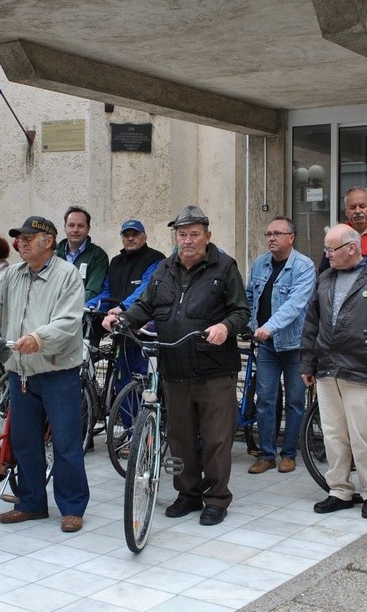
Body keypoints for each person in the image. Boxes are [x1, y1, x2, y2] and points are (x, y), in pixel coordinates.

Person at [103, 205, 249, 526]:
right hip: (174, 369)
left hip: (214, 370)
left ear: (207, 236)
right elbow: (145, 306)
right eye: (182, 234)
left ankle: (216, 498)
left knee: (216, 439)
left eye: (194, 234)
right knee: (180, 437)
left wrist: (225, 326)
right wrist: (122, 318)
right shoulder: (164, 270)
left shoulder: (224, 268)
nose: (188, 240)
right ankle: (188, 493)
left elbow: (241, 311)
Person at [0, 215, 89, 533]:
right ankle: (31, 502)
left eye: (29, 237)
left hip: (57, 371)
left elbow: (69, 321)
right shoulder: (13, 275)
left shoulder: (67, 276)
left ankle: (72, 506)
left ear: (49, 241)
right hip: (20, 372)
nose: (22, 242)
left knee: (66, 443)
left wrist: (38, 338)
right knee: (24, 442)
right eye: (19, 238)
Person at [301, 225, 367, 517]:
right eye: (325, 249)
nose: (326, 255)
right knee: (333, 434)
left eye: (331, 249)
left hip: (363, 368)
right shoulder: (324, 278)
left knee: (363, 436)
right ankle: (339, 490)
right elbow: (311, 323)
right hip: (327, 370)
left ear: (351, 248)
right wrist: (307, 363)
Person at [244, 216, 316, 474]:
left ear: (291, 238)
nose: (271, 238)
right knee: (265, 399)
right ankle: (266, 454)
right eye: (268, 234)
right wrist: (248, 322)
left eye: (277, 233)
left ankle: (289, 454)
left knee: (295, 401)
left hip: (295, 345)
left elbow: (296, 304)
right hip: (266, 345)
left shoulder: (304, 266)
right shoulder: (260, 264)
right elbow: (249, 295)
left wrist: (269, 326)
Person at [101, 219, 166, 423]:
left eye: (135, 234)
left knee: (146, 386)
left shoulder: (156, 259)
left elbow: (146, 289)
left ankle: (149, 431)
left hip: (145, 333)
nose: (130, 238)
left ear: (144, 237)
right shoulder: (116, 262)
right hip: (121, 334)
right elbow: (106, 291)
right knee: (124, 385)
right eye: (126, 235)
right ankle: (132, 434)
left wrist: (122, 309)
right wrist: (94, 306)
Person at [55, 205, 109, 304]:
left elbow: (92, 291)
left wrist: (65, 307)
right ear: (65, 228)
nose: (75, 230)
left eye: (80, 226)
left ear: (88, 229)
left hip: (78, 313)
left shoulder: (98, 256)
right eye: (71, 225)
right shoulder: (54, 254)